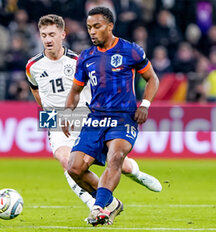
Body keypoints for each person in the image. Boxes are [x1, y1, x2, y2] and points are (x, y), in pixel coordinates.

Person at [26, 14, 161, 222]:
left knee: (118, 163)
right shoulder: (32, 66)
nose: (47, 39)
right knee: (67, 161)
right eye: (43, 35)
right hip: (56, 119)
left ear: (63, 35)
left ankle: (137, 174)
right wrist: (50, 113)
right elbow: (36, 91)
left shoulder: (79, 60)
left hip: (87, 117)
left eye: (52, 34)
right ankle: (99, 206)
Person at [63, 7, 160, 226]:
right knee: (74, 168)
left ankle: (98, 208)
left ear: (109, 26)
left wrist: (144, 105)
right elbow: (75, 91)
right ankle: (112, 203)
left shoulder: (131, 51)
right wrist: (68, 113)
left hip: (124, 117)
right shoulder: (86, 57)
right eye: (89, 27)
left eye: (96, 26)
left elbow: (152, 78)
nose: (92, 32)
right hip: (95, 119)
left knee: (115, 157)